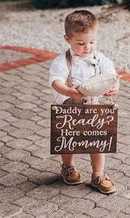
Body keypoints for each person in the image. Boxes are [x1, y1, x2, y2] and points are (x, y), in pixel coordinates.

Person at [49, 10, 119, 194]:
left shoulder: (99, 58)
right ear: (68, 39)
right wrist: (68, 91)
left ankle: (98, 175)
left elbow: (112, 74)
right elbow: (56, 81)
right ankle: (68, 167)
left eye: (92, 42)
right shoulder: (62, 61)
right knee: (68, 139)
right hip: (69, 106)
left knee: (97, 140)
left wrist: (115, 86)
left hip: (93, 107)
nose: (87, 47)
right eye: (81, 43)